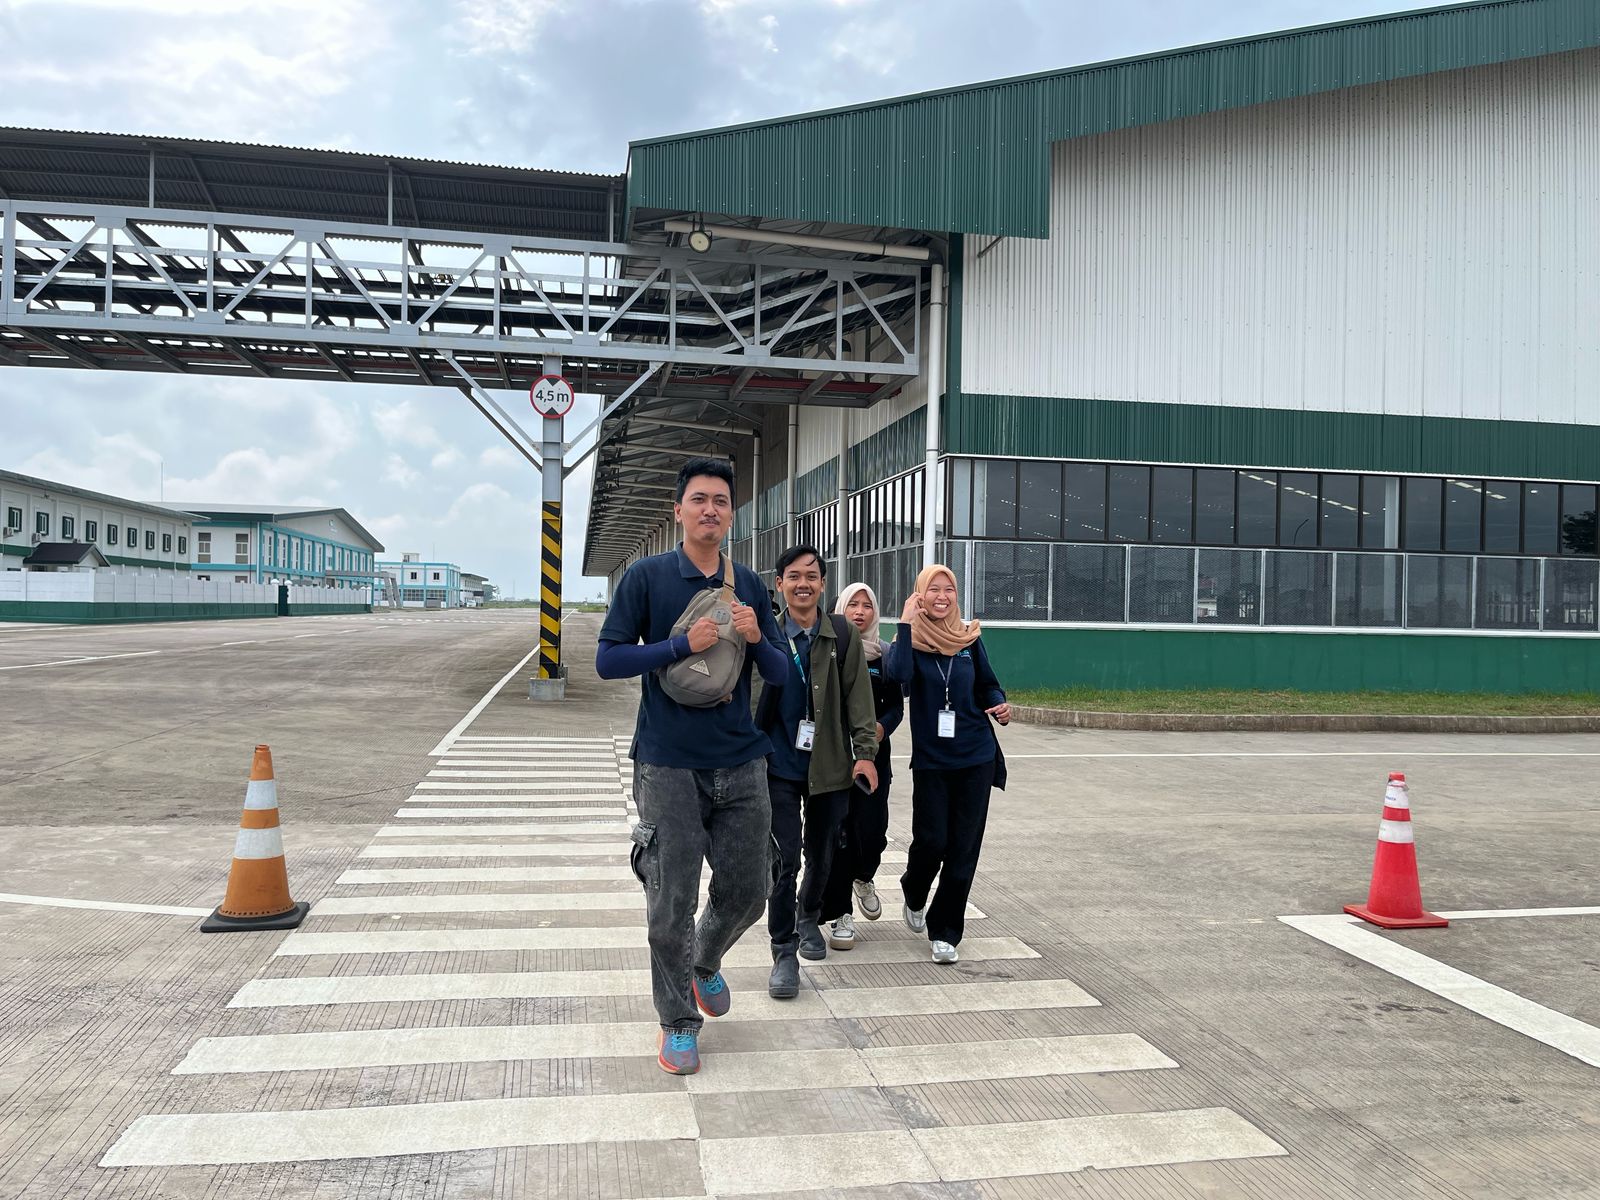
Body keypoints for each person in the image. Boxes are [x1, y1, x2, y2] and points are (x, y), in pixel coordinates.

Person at [595, 457, 789, 1075]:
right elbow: (608, 660)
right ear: (678, 510)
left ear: (732, 515)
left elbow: (783, 675)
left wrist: (756, 638)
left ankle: (704, 957)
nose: (711, 509)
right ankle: (678, 1021)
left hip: (741, 760)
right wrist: (682, 644)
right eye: (700, 499)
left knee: (751, 889)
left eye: (721, 501)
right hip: (668, 763)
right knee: (669, 902)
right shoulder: (647, 577)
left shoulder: (748, 584)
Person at [755, 545, 879, 999]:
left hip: (829, 765)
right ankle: (783, 949)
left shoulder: (841, 635)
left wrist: (865, 753)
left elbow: (859, 700)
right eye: (793, 576)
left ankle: (809, 916)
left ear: (823, 585)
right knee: (783, 859)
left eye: (811, 576)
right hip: (778, 766)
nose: (802, 584)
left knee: (823, 853)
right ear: (779, 584)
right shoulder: (766, 634)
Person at [885, 563, 1011, 964]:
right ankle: (914, 889)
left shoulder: (969, 638)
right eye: (933, 589)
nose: (942, 597)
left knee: (963, 848)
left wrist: (999, 704)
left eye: (949, 590)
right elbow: (898, 676)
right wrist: (905, 625)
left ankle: (945, 930)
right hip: (933, 760)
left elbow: (987, 684)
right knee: (932, 841)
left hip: (976, 755)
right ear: (920, 595)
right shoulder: (911, 639)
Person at [818, 582, 904, 950]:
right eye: (852, 604)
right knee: (839, 834)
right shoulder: (827, 650)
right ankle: (840, 913)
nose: (859, 611)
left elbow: (897, 706)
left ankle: (863, 877)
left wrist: (881, 728)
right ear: (840, 609)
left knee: (873, 832)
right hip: (834, 758)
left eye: (867, 605)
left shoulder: (884, 655)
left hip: (874, 757)